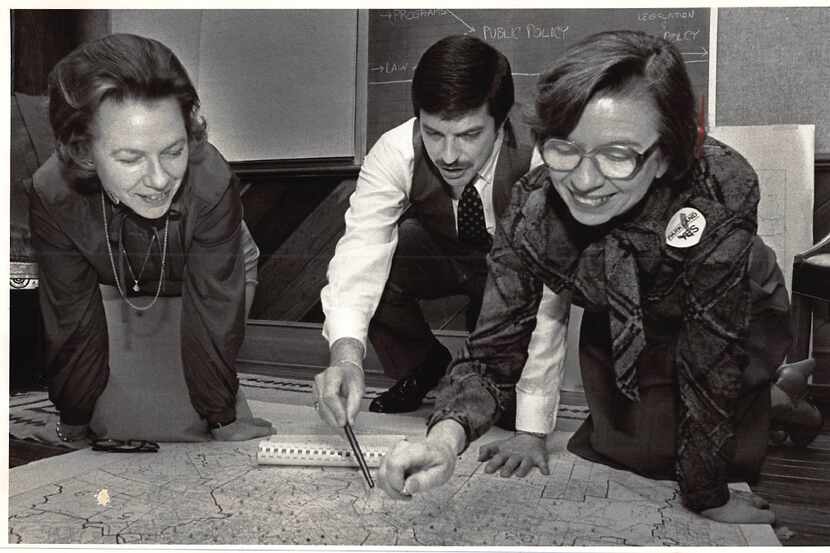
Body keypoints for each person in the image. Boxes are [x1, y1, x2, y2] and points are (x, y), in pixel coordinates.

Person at [377, 30, 823, 524]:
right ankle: (773, 399)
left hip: (736, 310)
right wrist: (445, 438)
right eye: (564, 148)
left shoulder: (717, 194)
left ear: (667, 155)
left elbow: (707, 362)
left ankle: (779, 397)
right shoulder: (535, 210)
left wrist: (708, 496)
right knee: (633, 450)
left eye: (618, 155)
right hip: (625, 313)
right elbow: (492, 353)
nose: (584, 182)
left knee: (705, 451)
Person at [314, 35, 569, 438]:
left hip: (514, 274)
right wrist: (345, 356)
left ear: (501, 123)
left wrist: (532, 429)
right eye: (434, 134)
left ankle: (500, 383)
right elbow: (360, 250)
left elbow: (552, 297)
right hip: (442, 255)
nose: (448, 155)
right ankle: (422, 364)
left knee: (506, 411)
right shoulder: (395, 150)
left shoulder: (544, 157)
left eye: (468, 135)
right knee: (381, 260)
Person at [29, 33, 274, 445]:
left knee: (190, 425)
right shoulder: (52, 192)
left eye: (173, 150)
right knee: (113, 421)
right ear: (84, 151)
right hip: (118, 277)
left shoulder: (212, 181)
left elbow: (214, 309)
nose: (160, 179)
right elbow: (69, 314)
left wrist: (221, 416)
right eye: (130, 158)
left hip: (209, 275)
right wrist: (74, 415)